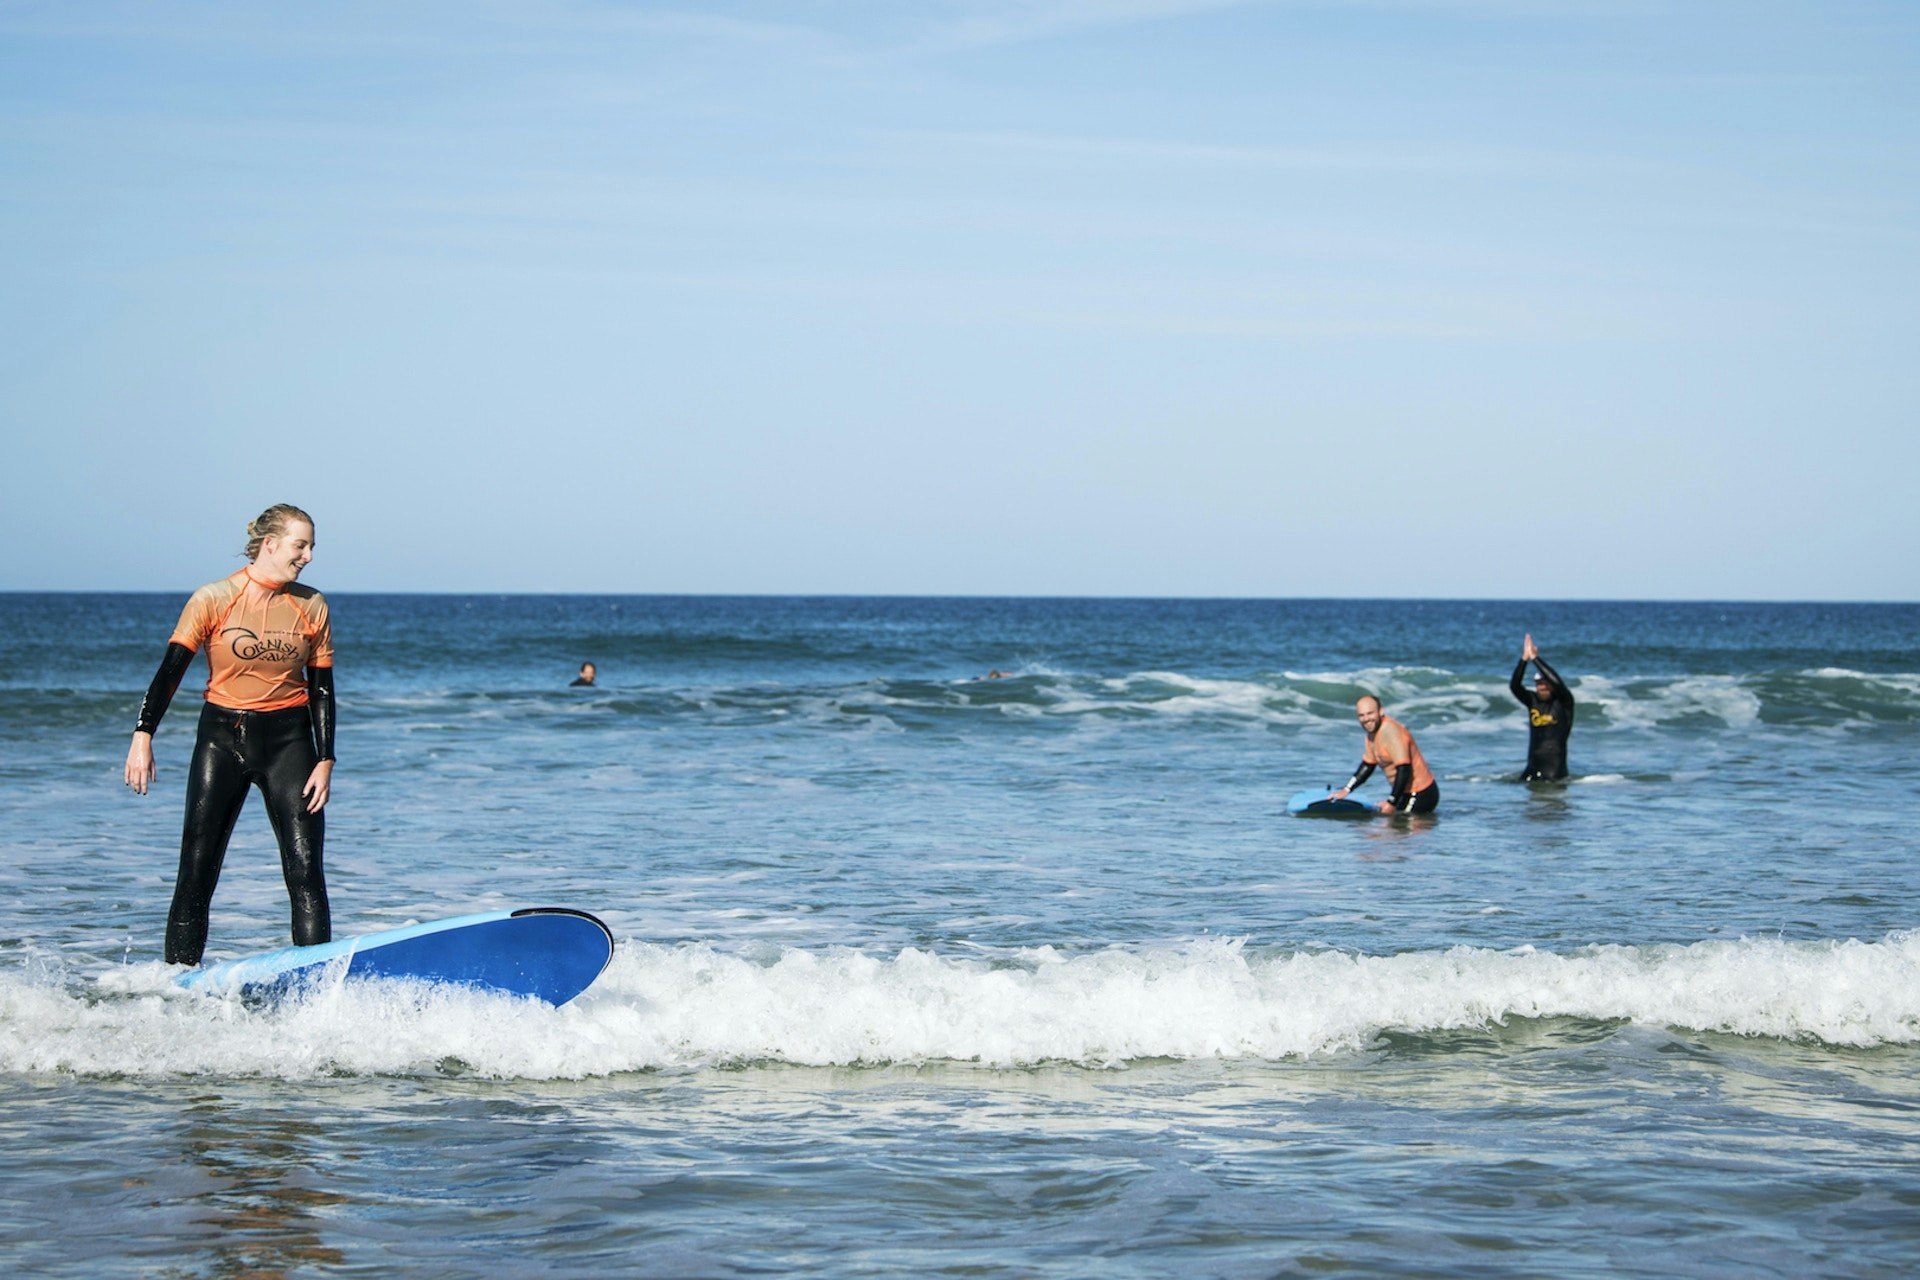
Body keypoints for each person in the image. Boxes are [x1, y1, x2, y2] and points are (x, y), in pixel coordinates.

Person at [123, 504, 335, 965]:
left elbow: (321, 688)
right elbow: (170, 672)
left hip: (290, 744)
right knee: (197, 870)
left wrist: (326, 759)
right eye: (301, 545)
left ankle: (316, 986)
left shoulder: (312, 604)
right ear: (270, 544)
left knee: (305, 872)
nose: (309, 556)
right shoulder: (214, 598)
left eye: (312, 546)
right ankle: (179, 985)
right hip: (222, 740)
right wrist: (144, 735)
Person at [1329, 695, 1439, 814]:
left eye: (1370, 713)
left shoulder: (1391, 732)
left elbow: (1404, 769)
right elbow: (1368, 765)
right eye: (1361, 715)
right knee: (1391, 825)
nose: (1366, 719)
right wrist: (1346, 790)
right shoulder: (1372, 734)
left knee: (1400, 825)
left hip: (1421, 793)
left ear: (1381, 711)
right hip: (1404, 793)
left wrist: (1391, 802)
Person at [1510, 633, 1574, 781]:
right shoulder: (1533, 701)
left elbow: (1558, 682)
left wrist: (1535, 659)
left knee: (1551, 802)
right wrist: (1524, 660)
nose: (1542, 687)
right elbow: (1515, 686)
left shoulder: (1564, 702)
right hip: (1532, 768)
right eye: (1539, 684)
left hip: (1554, 771)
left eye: (1545, 683)